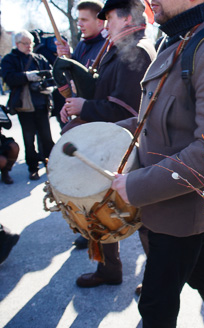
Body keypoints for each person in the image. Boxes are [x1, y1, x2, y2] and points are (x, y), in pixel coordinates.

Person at [111, 0, 204, 326]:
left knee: (155, 309)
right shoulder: (180, 41)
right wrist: (104, 135)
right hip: (165, 210)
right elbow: (160, 119)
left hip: (180, 217)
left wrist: (136, 186)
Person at [64, 0, 156, 289]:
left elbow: (126, 110)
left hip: (123, 146)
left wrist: (85, 106)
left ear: (128, 18)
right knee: (98, 210)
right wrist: (76, 100)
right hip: (108, 143)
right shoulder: (122, 46)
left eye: (111, 17)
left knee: (142, 218)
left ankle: (155, 280)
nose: (106, 23)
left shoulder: (137, 51)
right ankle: (109, 270)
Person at [55, 0, 106, 250]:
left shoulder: (105, 49)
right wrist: (66, 58)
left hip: (97, 128)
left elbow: (96, 92)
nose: (80, 25)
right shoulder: (81, 48)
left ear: (100, 21)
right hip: (82, 123)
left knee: (97, 191)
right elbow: (74, 87)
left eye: (85, 20)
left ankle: (100, 238)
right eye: (78, 21)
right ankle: (89, 228)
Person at [1, 30, 55, 181]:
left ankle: (51, 166)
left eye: (30, 43)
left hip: (42, 104)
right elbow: (8, 78)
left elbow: (51, 75)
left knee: (47, 138)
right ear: (17, 44)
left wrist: (47, 86)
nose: (29, 46)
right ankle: (33, 168)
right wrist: (27, 76)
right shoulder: (9, 59)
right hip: (24, 107)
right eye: (25, 43)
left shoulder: (39, 58)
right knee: (29, 140)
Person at [55, 0, 106, 69]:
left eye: (84, 20)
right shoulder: (82, 45)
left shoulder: (109, 46)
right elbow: (75, 75)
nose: (79, 24)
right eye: (79, 20)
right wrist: (68, 57)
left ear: (99, 22)